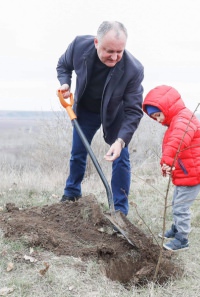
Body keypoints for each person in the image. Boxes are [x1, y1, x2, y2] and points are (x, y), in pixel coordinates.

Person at [56, 21, 144, 216]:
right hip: (86, 110)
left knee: (120, 158)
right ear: (96, 42)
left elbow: (134, 111)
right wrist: (65, 84)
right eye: (109, 51)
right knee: (78, 152)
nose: (114, 57)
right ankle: (71, 194)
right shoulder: (79, 46)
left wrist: (120, 141)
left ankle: (119, 210)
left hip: (114, 115)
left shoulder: (133, 69)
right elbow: (63, 65)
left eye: (119, 52)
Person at [142, 85, 200, 251]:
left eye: (158, 115)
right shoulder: (177, 120)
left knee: (181, 207)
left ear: (167, 107)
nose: (158, 120)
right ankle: (176, 228)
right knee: (176, 202)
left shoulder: (183, 119)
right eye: (154, 118)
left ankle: (182, 239)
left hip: (192, 173)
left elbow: (178, 141)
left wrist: (167, 160)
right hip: (185, 172)